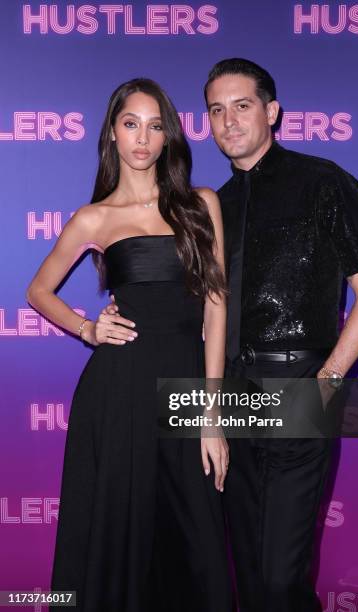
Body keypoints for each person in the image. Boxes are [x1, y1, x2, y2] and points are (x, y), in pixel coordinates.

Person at [103, 61, 358, 611]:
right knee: (247, 574)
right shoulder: (210, 206)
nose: (229, 121)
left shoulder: (325, 182)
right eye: (216, 109)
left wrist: (326, 381)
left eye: (242, 105)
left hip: (301, 383)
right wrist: (125, 303)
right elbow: (191, 302)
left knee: (282, 576)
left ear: (271, 111)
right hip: (229, 392)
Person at [26, 78, 233, 612]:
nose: (143, 137)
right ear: (113, 134)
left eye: (155, 125)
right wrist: (87, 329)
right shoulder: (93, 217)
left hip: (184, 395)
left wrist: (212, 412)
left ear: (169, 137)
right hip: (119, 394)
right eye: (131, 123)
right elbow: (38, 291)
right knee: (118, 534)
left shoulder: (201, 203)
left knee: (198, 545)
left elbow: (216, 306)